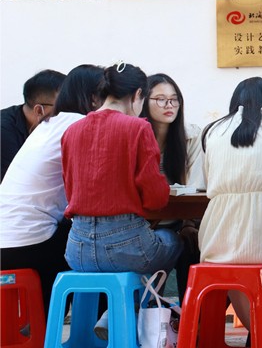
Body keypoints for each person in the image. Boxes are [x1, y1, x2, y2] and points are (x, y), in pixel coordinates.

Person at [199, 78, 262, 347]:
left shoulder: (213, 131)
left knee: (237, 279)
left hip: (218, 233)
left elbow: (207, 183)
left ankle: (256, 331)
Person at [0, 65, 103, 314]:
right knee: (97, 248)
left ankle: (45, 325)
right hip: (28, 242)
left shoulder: (48, 124)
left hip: (9, 239)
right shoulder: (80, 124)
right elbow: (90, 189)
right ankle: (101, 322)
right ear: (92, 98)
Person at [61, 62, 182, 274]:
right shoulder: (138, 127)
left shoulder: (71, 130)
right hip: (126, 247)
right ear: (138, 94)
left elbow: (70, 190)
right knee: (174, 240)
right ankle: (148, 296)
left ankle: (127, 295)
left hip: (77, 249)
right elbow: (155, 198)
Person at [139, 73, 205, 300]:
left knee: (192, 244)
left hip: (179, 221)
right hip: (142, 223)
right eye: (160, 99)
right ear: (143, 102)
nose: (169, 105)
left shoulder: (191, 136)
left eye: (174, 99)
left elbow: (196, 187)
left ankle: (188, 314)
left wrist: (188, 224)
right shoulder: (134, 136)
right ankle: (145, 307)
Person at [1, 69, 66, 180]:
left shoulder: (44, 128)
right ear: (39, 111)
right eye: (63, 107)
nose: (68, 113)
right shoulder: (3, 133)